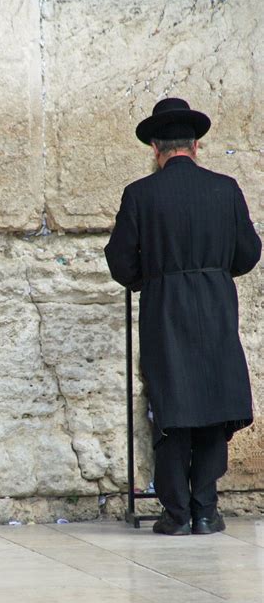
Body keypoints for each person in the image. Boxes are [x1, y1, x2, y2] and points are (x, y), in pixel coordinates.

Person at [105, 98, 261, 536]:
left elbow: (120, 263)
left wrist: (149, 278)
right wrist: (212, 271)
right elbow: (248, 253)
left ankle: (175, 514)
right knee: (213, 401)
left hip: (164, 307)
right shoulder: (226, 189)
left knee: (171, 406)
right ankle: (206, 510)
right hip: (215, 305)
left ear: (156, 147)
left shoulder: (140, 194)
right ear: (196, 146)